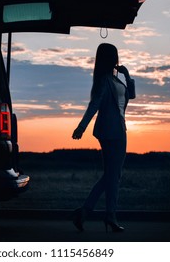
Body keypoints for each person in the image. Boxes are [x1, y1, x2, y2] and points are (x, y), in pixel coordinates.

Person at [71, 43, 136, 233]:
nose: (117, 58)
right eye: (114, 55)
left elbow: (131, 96)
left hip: (118, 129)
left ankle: (87, 212)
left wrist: (127, 75)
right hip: (110, 131)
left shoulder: (116, 80)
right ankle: (109, 215)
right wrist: (81, 126)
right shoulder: (103, 80)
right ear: (109, 58)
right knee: (113, 175)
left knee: (112, 175)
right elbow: (95, 105)